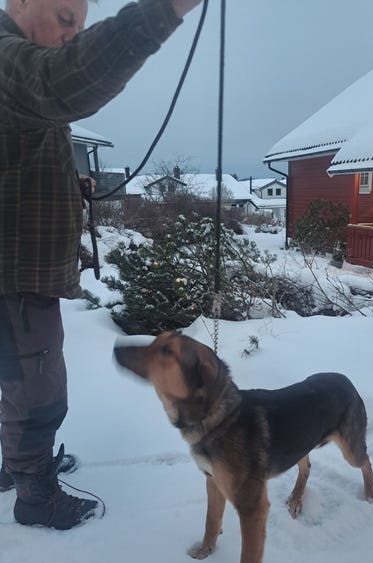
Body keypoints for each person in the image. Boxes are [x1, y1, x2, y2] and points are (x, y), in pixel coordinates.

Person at [0, 0, 202, 529]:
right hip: (14, 277)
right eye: (64, 18)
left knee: (15, 377)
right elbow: (62, 82)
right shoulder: (9, 62)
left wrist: (70, 182)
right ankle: (35, 495)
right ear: (19, 2)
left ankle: (17, 465)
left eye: (80, 26)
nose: (71, 35)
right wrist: (164, 10)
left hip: (17, 272)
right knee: (36, 390)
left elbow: (16, 160)